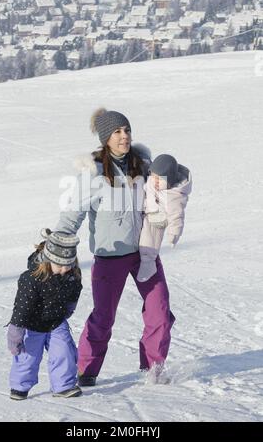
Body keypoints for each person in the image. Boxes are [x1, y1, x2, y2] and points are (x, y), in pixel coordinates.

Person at [56, 108, 175, 386]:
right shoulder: (93, 172)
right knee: (103, 317)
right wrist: (61, 241)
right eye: (117, 131)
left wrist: (176, 175)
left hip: (145, 251)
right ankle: (86, 370)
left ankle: (153, 368)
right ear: (105, 137)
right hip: (110, 257)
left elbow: (168, 187)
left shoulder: (142, 165)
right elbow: (73, 213)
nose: (124, 136)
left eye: (127, 130)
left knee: (160, 309)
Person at [7, 229, 83, 400]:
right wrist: (15, 333)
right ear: (48, 260)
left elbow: (74, 294)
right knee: (28, 355)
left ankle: (64, 385)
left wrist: (69, 310)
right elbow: (22, 308)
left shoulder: (72, 275)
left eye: (68, 265)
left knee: (64, 351)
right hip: (32, 324)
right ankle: (19, 386)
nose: (64, 270)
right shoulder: (31, 278)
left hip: (57, 322)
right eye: (60, 265)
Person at [137, 154, 192, 282]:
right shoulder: (152, 180)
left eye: (160, 179)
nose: (155, 181)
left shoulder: (174, 197)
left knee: (149, 237)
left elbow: (177, 217)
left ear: (170, 180)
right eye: (154, 177)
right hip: (145, 209)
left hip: (158, 217)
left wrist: (174, 235)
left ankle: (148, 263)